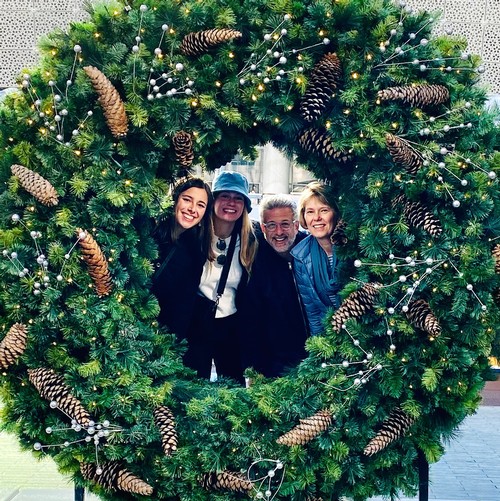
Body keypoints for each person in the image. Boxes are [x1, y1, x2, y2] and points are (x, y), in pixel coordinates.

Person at [184, 171, 258, 382]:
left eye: (238, 198)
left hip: (232, 326)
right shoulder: (194, 236)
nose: (231, 203)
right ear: (213, 200)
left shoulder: (251, 242)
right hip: (196, 323)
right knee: (194, 387)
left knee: (233, 388)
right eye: (224, 196)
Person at [240, 195, 308, 378]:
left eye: (285, 224)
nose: (279, 232)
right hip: (272, 365)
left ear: (296, 225)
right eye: (271, 225)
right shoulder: (255, 259)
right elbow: (251, 319)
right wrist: (253, 368)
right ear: (263, 228)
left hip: (315, 359)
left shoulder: (312, 251)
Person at [153, 177, 214, 340]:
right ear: (175, 199)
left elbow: (182, 307)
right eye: (187, 200)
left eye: (201, 205)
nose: (192, 209)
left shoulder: (195, 251)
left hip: (159, 340)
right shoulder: (149, 232)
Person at [291, 181, 342, 336]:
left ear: (335, 213)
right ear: (304, 217)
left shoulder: (353, 247)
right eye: (310, 212)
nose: (317, 218)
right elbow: (313, 311)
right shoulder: (300, 256)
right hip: (331, 335)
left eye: (324, 210)